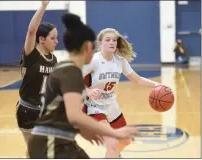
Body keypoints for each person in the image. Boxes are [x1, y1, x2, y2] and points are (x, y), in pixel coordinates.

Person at [28, 13, 139, 159]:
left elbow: (64, 110)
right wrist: (115, 133)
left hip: (61, 140)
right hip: (50, 141)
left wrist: (82, 130)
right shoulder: (70, 72)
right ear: (88, 46)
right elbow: (74, 115)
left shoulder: (69, 69)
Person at [82, 28, 166, 158]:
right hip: (94, 107)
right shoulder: (93, 60)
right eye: (108, 40)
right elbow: (72, 78)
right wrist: (87, 90)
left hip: (111, 105)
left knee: (125, 140)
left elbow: (137, 79)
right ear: (100, 43)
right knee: (112, 142)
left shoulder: (120, 61)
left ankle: (113, 155)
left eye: (114, 40)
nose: (112, 42)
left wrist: (157, 85)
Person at [15, 0, 58, 156]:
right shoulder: (32, 56)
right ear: (41, 39)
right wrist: (44, 6)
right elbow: (32, 30)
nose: (56, 41)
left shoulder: (53, 59)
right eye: (53, 38)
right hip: (28, 110)